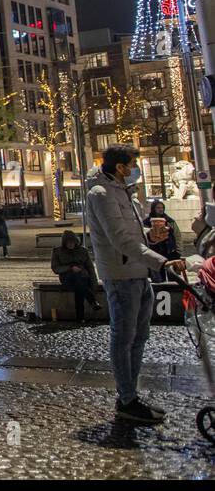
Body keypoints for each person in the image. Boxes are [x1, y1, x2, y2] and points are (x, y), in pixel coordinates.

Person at [84, 144, 186, 425]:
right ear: (120, 167)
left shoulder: (121, 191)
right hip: (121, 274)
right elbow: (120, 240)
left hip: (138, 272)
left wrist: (150, 236)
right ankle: (126, 399)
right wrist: (161, 261)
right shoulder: (101, 194)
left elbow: (131, 235)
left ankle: (131, 396)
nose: (134, 170)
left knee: (139, 338)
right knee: (124, 337)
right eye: (132, 164)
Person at [50, 230, 100, 321]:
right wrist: (70, 268)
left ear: (76, 241)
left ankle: (80, 318)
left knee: (79, 285)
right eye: (68, 242)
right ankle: (92, 301)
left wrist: (94, 284)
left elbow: (90, 268)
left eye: (72, 242)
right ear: (64, 243)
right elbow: (55, 268)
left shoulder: (83, 251)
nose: (70, 244)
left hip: (83, 277)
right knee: (78, 281)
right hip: (67, 278)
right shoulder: (57, 251)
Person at [145, 199, 180, 284]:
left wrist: (179, 250)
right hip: (155, 252)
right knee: (157, 277)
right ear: (153, 209)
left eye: (162, 207)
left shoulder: (169, 221)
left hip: (169, 251)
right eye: (158, 207)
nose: (160, 209)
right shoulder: (147, 222)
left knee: (172, 276)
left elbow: (177, 235)